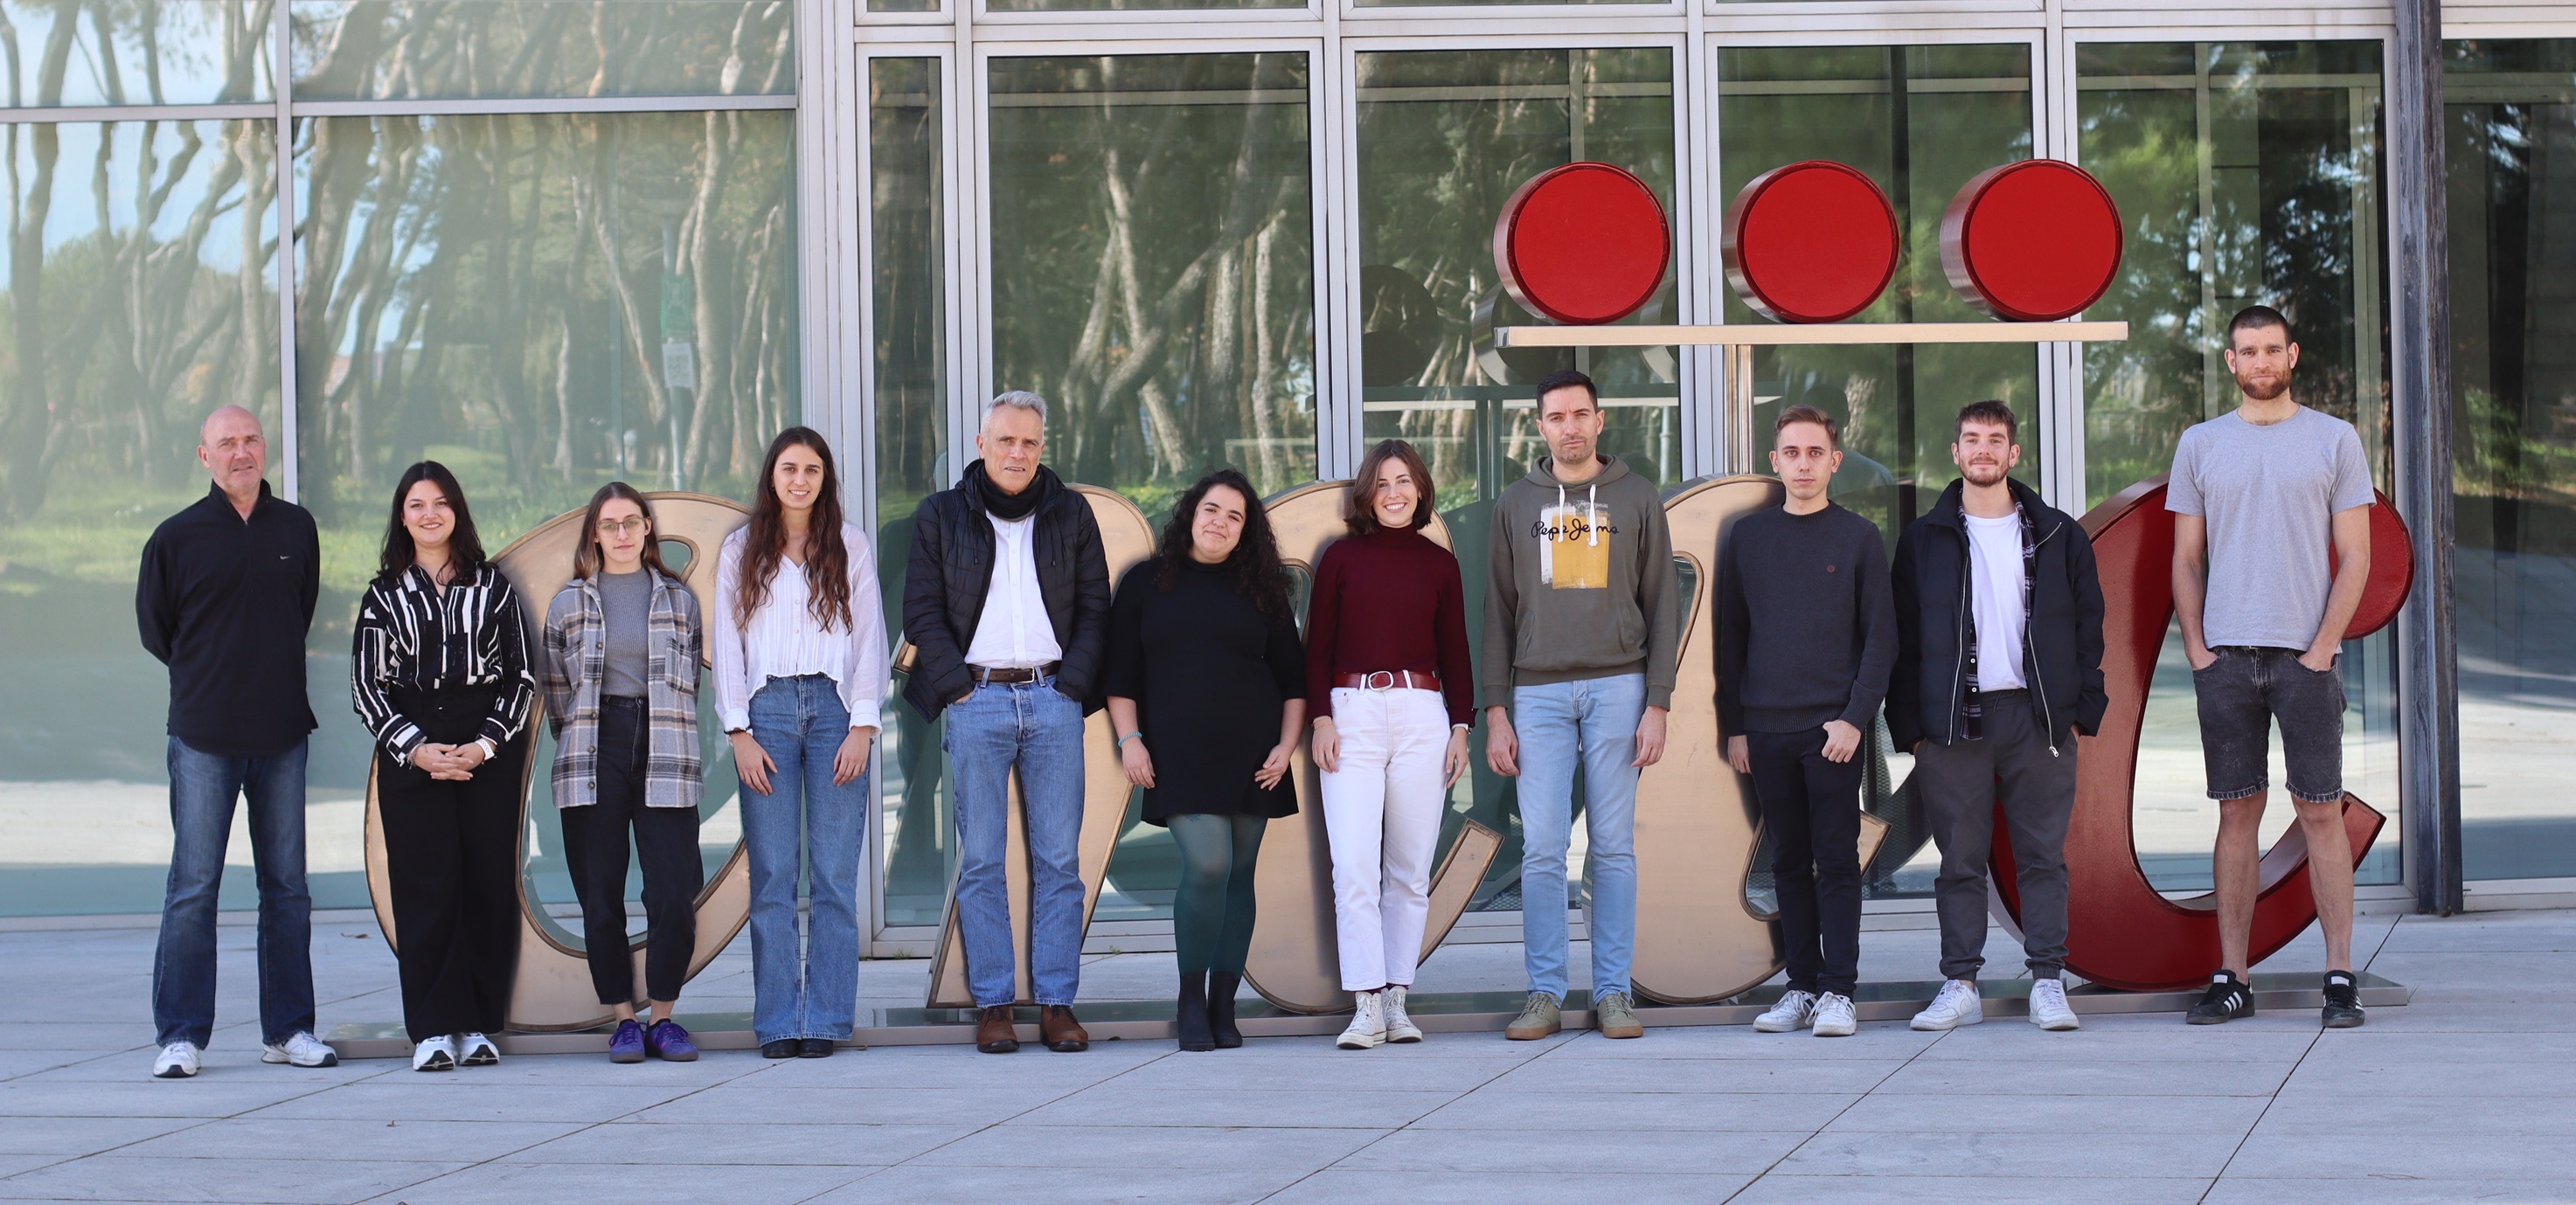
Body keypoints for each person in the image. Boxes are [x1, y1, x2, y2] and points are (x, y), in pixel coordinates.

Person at [2171, 306, 2376, 1029]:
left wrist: (2321, 645)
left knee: (2320, 813)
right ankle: (2231, 976)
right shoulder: (2199, 444)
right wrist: (2197, 646)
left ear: (2291, 354)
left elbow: (2356, 554)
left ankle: (2339, 974)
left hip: (2305, 657)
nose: (2259, 362)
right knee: (2236, 813)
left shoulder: (2333, 439)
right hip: (2225, 657)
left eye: (2270, 350)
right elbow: (2185, 558)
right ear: (2229, 362)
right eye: (2245, 352)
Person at [903, 391, 1111, 1056]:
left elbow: (1094, 610)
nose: (1017, 452)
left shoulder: (1070, 512)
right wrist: (960, 689)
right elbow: (922, 613)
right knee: (982, 859)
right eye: (1005, 441)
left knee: (1058, 860)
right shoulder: (940, 514)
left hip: (1052, 696)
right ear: (980, 443)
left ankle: (1055, 1002)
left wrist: (1072, 686)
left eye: (1029, 442)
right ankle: (992, 1003)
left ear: (1042, 447)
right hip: (978, 700)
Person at [1889, 402, 2107, 1035]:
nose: (1982, 450)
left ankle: (2047, 981)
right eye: (1971, 439)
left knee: (2041, 856)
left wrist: (2076, 713)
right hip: (1953, 721)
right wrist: (1914, 731)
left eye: (1995, 440)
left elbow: (2089, 631)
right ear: (1953, 453)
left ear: (2013, 454)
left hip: (2036, 717)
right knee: (1959, 859)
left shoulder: (2057, 533)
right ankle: (1960, 983)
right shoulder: (1922, 540)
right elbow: (1901, 639)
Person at [1482, 369, 1681, 1042]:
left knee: (1613, 848)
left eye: (1579, 414)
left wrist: (1656, 701)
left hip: (1619, 688)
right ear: (1538, 426)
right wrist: (1495, 709)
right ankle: (1542, 993)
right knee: (1540, 847)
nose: (1568, 426)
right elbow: (1497, 614)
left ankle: (1613, 993)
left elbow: (1662, 606)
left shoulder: (1636, 497)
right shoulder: (1515, 503)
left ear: (1599, 421)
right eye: (1555, 416)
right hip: (1534, 693)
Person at [136, 405, 332, 1079]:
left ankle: (289, 1030)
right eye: (227, 443)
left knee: (287, 889)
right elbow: (156, 631)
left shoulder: (296, 528)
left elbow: (298, 609)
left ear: (264, 447)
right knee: (193, 887)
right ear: (204, 456)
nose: (241, 451)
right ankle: (181, 1035)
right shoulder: (176, 538)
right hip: (203, 737)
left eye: (250, 439)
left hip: (281, 734)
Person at [1105, 470, 1307, 1052]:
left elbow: (1291, 679)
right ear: (1191, 513)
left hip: (1253, 750)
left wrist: (1285, 745)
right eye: (1211, 509)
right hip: (1177, 750)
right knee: (1211, 864)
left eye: (1234, 516)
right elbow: (1120, 675)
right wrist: (1130, 741)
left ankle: (1224, 1003)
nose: (1219, 522)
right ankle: (1190, 998)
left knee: (1240, 874)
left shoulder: (1264, 588)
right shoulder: (1146, 582)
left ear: (1245, 530)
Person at [351, 461, 537, 1071]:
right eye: (415, 504)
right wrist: (416, 748)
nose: (429, 513)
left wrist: (484, 745)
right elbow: (367, 688)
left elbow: (520, 675)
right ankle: (432, 1029)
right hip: (412, 747)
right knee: (425, 889)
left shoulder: (494, 587)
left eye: (439, 502)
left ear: (457, 510)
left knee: (486, 884)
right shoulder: (383, 595)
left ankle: (480, 1024)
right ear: (401, 517)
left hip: (486, 745)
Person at [1720, 405, 1896, 1040]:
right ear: (1775, 461)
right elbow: (1729, 637)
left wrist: (1854, 719)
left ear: (1833, 461)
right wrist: (1735, 727)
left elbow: (1880, 639)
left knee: (1836, 860)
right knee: (1787, 861)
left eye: (1813, 452)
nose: (1802, 463)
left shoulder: (1857, 537)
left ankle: (1838, 992)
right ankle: (1799, 985)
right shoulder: (1747, 537)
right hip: (1765, 730)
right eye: (1790, 452)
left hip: (1832, 734)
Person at [713, 428, 890, 1060]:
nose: (800, 479)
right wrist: (738, 730)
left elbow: (870, 638)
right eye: (789, 468)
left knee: (836, 875)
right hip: (767, 713)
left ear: (825, 479)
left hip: (836, 711)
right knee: (774, 875)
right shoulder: (741, 549)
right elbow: (726, 644)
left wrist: (864, 726)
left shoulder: (849, 546)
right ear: (771, 476)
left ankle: (827, 1017)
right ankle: (780, 1019)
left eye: (812, 469)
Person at [1307, 440, 1474, 1050]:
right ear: (1365, 495)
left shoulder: (1438, 563)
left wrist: (1461, 726)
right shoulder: (1340, 558)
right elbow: (1315, 646)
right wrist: (1321, 717)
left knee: (1407, 871)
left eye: (1403, 481)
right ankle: (1365, 1004)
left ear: (1421, 489)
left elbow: (1456, 650)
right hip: (1350, 712)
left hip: (1423, 714)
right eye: (1381, 484)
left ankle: (1398, 1001)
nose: (1394, 493)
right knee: (1352, 864)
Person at [539, 483, 706, 1064]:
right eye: (609, 524)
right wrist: (588, 738)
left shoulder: (679, 601)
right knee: (599, 893)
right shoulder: (568, 604)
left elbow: (692, 684)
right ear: (594, 534)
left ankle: (663, 1016)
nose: (621, 534)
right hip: (594, 749)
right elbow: (557, 695)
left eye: (631, 522)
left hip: (664, 744)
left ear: (647, 528)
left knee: (671, 890)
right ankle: (623, 1019)